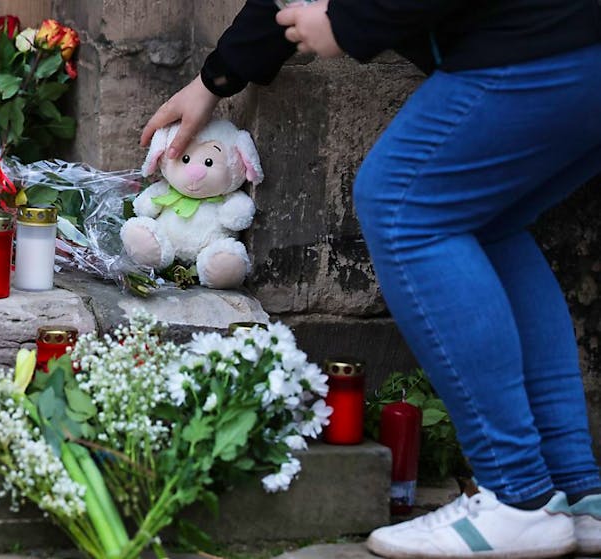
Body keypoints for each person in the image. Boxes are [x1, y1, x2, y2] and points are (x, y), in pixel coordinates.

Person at [140, 1, 601, 557]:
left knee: (401, 204)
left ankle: (515, 494)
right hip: (577, 45)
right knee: (492, 225)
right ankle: (576, 493)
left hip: (540, 42)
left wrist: (350, 22)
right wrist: (214, 79)